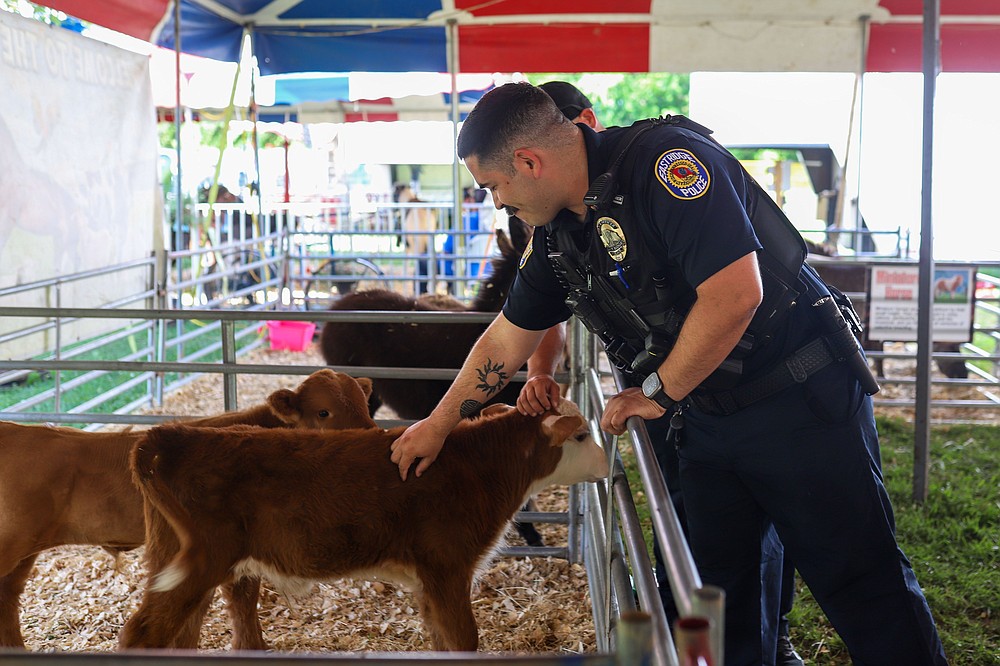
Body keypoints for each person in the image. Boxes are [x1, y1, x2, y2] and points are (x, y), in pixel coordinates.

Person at [390, 82, 948, 665]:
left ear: (529, 162)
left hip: (796, 400)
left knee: (861, 582)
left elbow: (735, 294)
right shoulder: (559, 233)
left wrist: (659, 391)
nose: (498, 203)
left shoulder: (666, 167)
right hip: (704, 419)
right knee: (713, 600)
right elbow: (507, 337)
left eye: (495, 186)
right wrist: (438, 424)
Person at [527, 81, 805, 666]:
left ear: (585, 124)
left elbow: (731, 292)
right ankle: (692, 639)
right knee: (682, 522)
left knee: (751, 532)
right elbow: (534, 307)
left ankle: (764, 635)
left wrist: (663, 387)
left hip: (718, 385)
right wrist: (539, 370)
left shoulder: (655, 177)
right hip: (657, 390)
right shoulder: (550, 218)